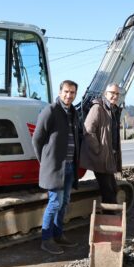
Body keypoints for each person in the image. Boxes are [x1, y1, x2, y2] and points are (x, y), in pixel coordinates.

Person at [32, 80, 80, 255]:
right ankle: (47, 239)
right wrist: (44, 162)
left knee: (65, 202)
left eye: (72, 92)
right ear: (60, 92)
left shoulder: (73, 112)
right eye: (66, 91)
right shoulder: (50, 111)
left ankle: (59, 234)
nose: (69, 95)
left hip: (69, 167)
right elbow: (37, 139)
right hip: (54, 168)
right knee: (54, 203)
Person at [80, 83, 122, 204]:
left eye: (117, 94)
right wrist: (98, 150)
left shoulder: (113, 110)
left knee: (113, 190)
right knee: (108, 193)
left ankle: (110, 217)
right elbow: (88, 129)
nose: (114, 96)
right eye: (112, 93)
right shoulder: (98, 108)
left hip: (109, 157)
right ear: (105, 94)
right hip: (100, 158)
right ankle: (110, 219)